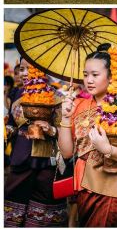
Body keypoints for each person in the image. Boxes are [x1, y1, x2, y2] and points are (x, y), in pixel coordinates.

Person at [57, 44, 117, 226]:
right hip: (85, 186)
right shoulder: (78, 106)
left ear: (111, 77)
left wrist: (108, 150)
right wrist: (65, 117)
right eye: (85, 74)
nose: (89, 80)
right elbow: (67, 152)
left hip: (115, 187)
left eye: (95, 75)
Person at [5, 62, 68, 227]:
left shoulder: (57, 97)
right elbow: (12, 124)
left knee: (44, 208)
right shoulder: (17, 94)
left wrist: (50, 129)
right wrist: (7, 131)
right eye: (21, 69)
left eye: (30, 68)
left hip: (47, 162)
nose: (24, 73)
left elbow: (64, 131)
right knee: (13, 200)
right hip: (21, 157)